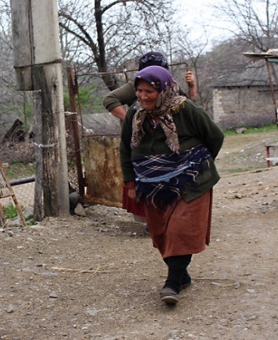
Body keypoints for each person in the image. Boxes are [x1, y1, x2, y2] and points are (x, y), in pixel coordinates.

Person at [119, 65, 224, 305]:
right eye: (139, 91)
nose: (143, 96)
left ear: (163, 89)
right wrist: (130, 183)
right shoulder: (135, 116)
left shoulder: (187, 110)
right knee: (161, 235)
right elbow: (125, 150)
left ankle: (172, 283)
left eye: (149, 91)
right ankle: (182, 274)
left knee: (180, 230)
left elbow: (215, 137)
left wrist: (196, 164)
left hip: (191, 182)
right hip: (152, 186)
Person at [103, 51, 197, 224]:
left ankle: (174, 217)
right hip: (145, 142)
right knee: (146, 176)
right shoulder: (138, 85)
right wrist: (133, 120)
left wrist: (192, 87)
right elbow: (110, 99)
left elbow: (187, 106)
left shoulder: (170, 85)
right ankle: (150, 220)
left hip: (169, 141)